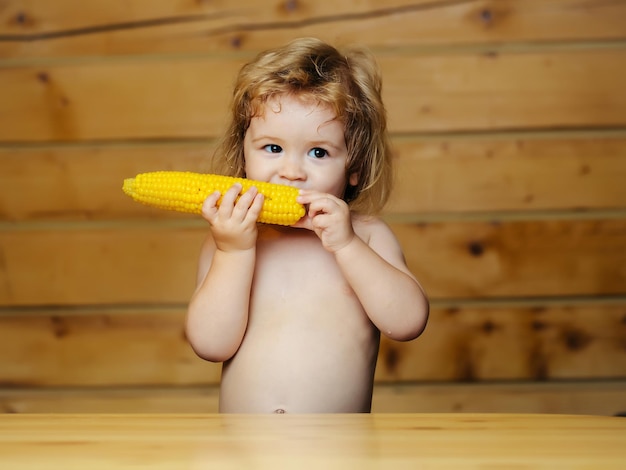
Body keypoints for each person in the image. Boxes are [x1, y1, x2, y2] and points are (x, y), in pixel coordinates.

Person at [185, 37, 429, 413]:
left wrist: (347, 246)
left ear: (354, 167)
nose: (291, 172)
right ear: (243, 154)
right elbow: (210, 344)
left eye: (319, 152)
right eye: (272, 148)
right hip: (242, 450)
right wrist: (234, 251)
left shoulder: (366, 235)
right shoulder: (230, 240)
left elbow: (408, 322)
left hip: (339, 450)